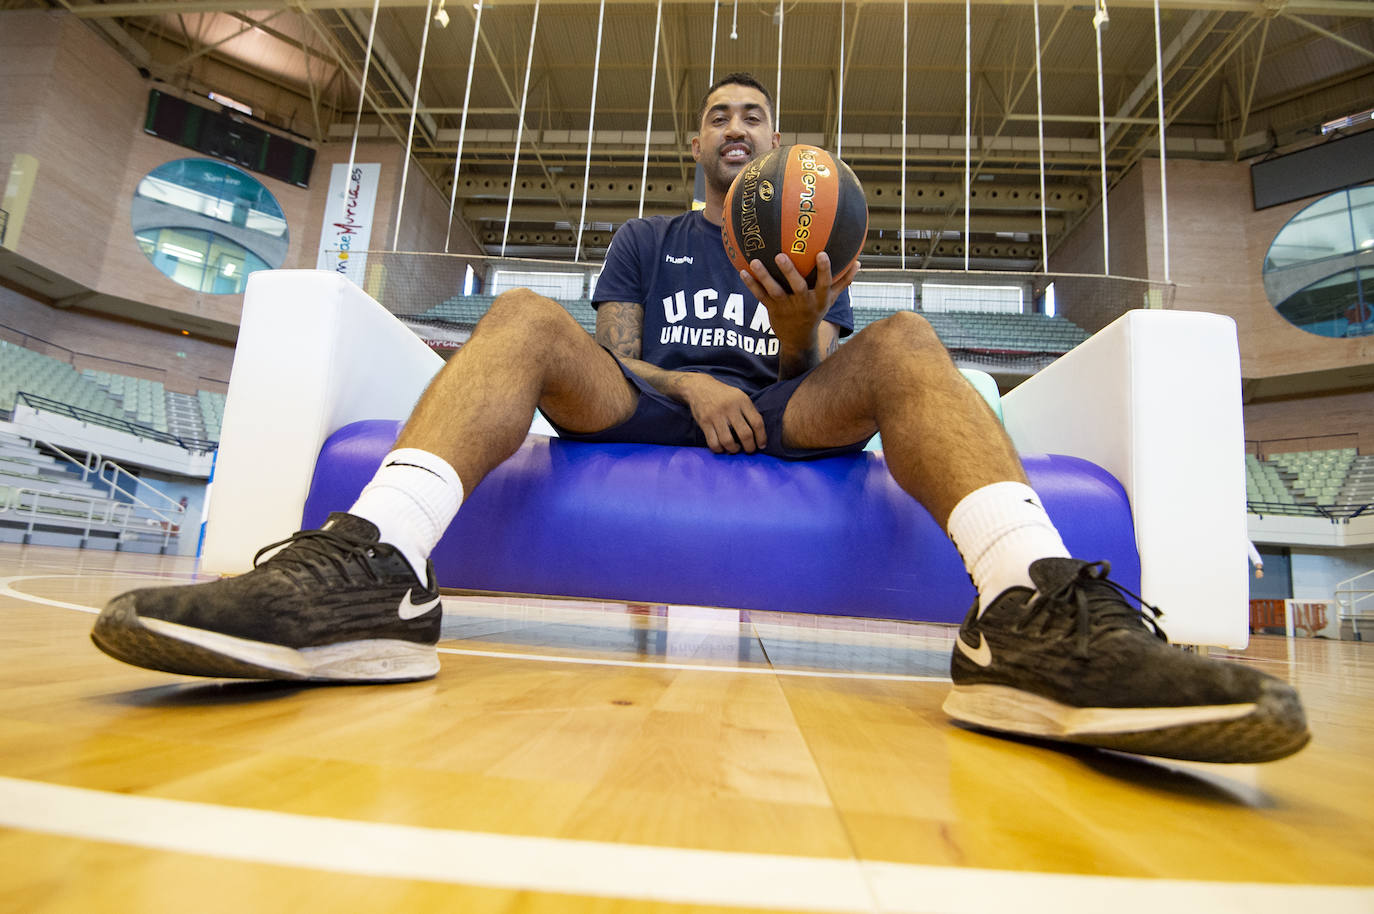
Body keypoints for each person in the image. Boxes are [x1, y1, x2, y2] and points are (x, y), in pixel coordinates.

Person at [92, 73, 1308, 764]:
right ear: (698, 143)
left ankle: (1029, 610)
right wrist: (697, 381)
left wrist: (788, 335)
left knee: (904, 343)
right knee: (519, 312)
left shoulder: (812, 231)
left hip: (784, 409)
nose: (739, 130)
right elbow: (615, 354)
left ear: (782, 149)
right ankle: (369, 572)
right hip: (642, 406)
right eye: (722, 117)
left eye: (756, 120)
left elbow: (826, 369)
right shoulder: (649, 238)